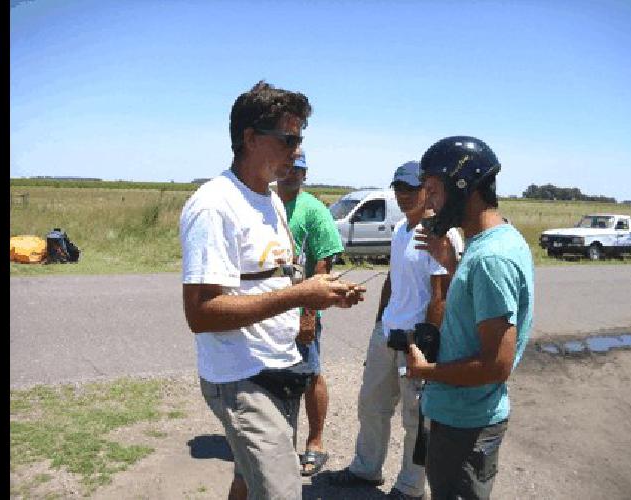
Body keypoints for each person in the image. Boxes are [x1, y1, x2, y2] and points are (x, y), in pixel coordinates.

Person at [179, 80, 365, 500]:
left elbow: (279, 280)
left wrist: (324, 291)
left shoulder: (272, 200)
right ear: (249, 138)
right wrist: (300, 297)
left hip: (280, 366)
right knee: (281, 492)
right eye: (288, 139)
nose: (297, 150)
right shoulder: (215, 205)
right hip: (242, 376)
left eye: (299, 139)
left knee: (247, 480)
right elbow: (201, 314)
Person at [325, 161, 465, 499]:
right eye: (398, 188)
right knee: (371, 405)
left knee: (416, 419)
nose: (403, 195)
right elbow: (392, 280)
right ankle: (366, 468)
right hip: (387, 333)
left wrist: (428, 344)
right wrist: (378, 323)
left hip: (415, 341)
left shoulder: (440, 233)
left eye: (410, 188)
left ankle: (410, 486)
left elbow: (441, 296)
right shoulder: (402, 228)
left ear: (426, 191)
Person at [405, 136, 535, 499]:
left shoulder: (490, 259)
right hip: (458, 415)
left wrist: (425, 372)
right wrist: (451, 263)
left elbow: (496, 364)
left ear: (463, 187)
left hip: (466, 425)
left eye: (432, 189)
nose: (427, 201)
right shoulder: (492, 245)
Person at [274, 147, 345, 477]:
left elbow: (323, 265)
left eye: (297, 169)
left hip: (300, 310)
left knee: (310, 373)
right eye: (286, 167)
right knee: (271, 375)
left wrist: (309, 315)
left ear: (305, 173)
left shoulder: (314, 210)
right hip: (268, 309)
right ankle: (278, 443)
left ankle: (315, 443)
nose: (291, 173)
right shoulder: (265, 203)